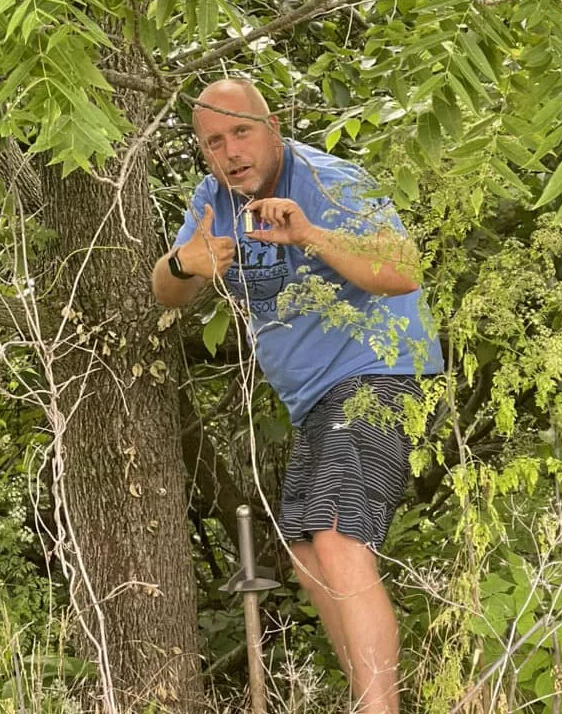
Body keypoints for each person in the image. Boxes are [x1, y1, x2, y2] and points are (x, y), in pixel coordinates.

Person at [151, 79, 444, 714]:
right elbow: (165, 289)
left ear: (273, 126)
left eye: (242, 132)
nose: (230, 152)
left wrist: (310, 234)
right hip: (315, 401)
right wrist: (186, 266)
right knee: (309, 555)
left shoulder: (327, 179)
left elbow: (401, 270)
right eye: (214, 142)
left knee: (337, 539)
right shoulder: (213, 201)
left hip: (382, 374)